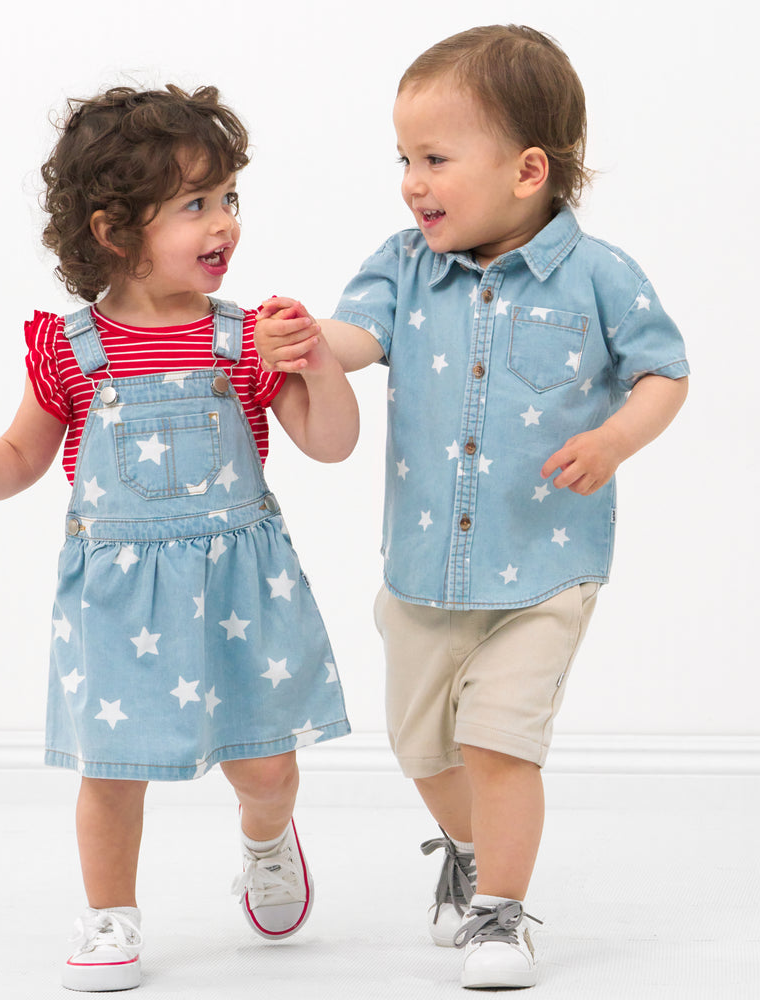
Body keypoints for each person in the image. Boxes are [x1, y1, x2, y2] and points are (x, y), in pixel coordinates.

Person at [255, 25, 689, 990]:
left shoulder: (600, 275)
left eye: (436, 159)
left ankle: (501, 912)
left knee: (499, 743)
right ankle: (470, 852)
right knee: (423, 747)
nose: (413, 181)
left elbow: (665, 372)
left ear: (528, 169)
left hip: (543, 568)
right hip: (421, 572)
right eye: (404, 158)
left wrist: (615, 439)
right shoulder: (404, 263)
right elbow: (356, 337)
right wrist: (300, 339)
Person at [0, 84, 358, 993]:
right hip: (122, 601)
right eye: (195, 204)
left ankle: (267, 840)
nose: (224, 222)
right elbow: (21, 453)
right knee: (112, 769)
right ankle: (110, 913)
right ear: (115, 232)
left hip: (242, 584)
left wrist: (316, 363)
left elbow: (330, 443)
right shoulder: (71, 350)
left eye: (229, 198)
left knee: (267, 762)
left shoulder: (244, 342)